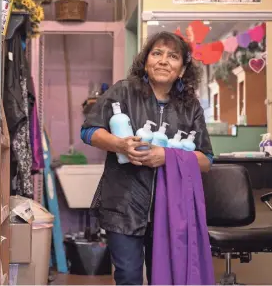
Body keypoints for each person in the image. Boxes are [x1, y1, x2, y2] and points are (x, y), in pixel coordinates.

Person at [80, 31, 213, 285]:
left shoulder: (190, 106)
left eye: (173, 56)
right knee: (128, 276)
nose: (163, 61)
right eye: (157, 53)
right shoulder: (123, 91)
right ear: (146, 60)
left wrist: (167, 156)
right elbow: (88, 131)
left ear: (183, 68)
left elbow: (206, 159)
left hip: (172, 211)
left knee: (164, 278)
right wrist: (119, 144)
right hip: (123, 205)